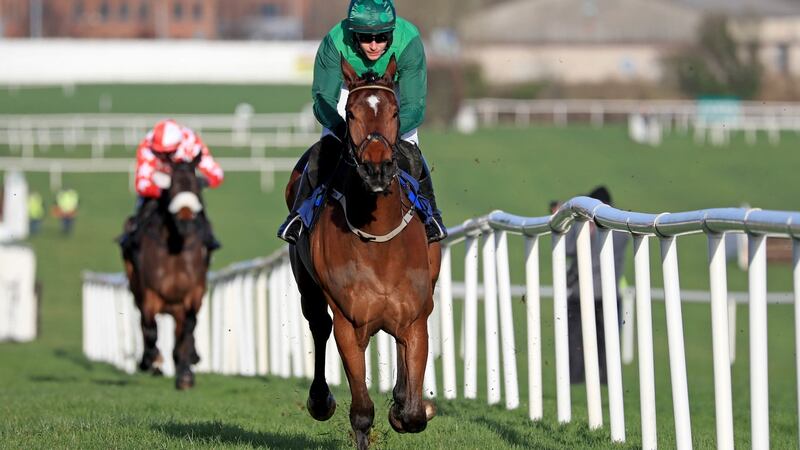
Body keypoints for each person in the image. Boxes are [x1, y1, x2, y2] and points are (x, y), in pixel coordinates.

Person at [277, 0, 446, 244]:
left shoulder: (408, 41)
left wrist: (386, 135)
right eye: (367, 38)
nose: (375, 45)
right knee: (327, 148)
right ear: (354, 34)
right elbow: (323, 100)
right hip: (350, 90)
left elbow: (414, 107)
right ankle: (298, 217)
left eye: (382, 37)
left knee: (411, 151)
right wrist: (345, 132)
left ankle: (432, 217)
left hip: (390, 90)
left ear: (392, 31)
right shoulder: (335, 42)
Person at [118, 119, 223, 255]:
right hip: (158, 183)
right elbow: (141, 184)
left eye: (169, 153)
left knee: (196, 205)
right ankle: (132, 240)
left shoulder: (191, 142)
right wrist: (165, 190)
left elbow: (216, 175)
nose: (164, 156)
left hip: (184, 186)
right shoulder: (147, 145)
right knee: (141, 212)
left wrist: (198, 183)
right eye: (160, 153)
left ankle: (208, 240)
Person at [557, 186, 630, 385]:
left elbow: (568, 249)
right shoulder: (621, 228)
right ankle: (607, 382)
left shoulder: (587, 226)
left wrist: (573, 227)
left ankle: (576, 381)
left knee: (576, 343)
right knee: (608, 345)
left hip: (581, 294)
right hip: (610, 295)